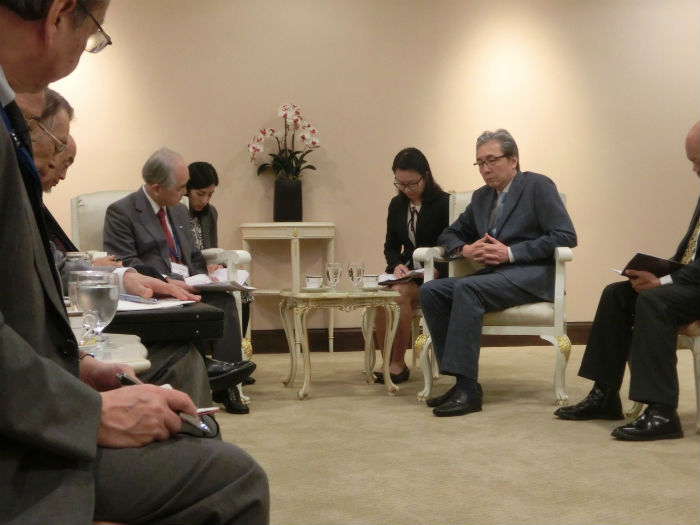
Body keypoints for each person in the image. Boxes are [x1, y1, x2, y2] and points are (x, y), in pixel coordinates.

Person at [0, 1, 269, 523]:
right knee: (235, 480)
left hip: (41, 397)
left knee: (189, 390)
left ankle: (203, 411)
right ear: (59, 16)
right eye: (95, 32)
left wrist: (79, 370)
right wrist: (89, 413)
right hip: (20, 451)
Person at [554, 121, 700, 441]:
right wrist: (659, 271)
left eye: (697, 161)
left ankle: (662, 412)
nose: (694, 169)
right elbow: (692, 255)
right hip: (692, 285)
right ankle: (604, 394)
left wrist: (663, 282)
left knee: (653, 300)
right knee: (617, 294)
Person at [419, 128, 577, 417]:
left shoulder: (538, 186)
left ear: (513, 160)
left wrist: (511, 252)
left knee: (466, 288)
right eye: (480, 163)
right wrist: (465, 249)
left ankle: (468, 391)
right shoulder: (481, 198)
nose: (485, 169)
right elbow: (449, 234)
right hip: (494, 279)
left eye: (492, 160)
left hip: (530, 277)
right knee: (431, 291)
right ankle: (461, 382)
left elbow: (565, 236)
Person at [104, 148, 255, 414]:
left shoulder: (179, 210)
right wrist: (167, 281)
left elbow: (193, 255)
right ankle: (205, 378)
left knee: (223, 300)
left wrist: (207, 274)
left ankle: (227, 383)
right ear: (157, 188)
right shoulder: (121, 212)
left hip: (189, 283)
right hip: (153, 291)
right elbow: (125, 263)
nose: (185, 193)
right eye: (180, 188)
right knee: (190, 309)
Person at [373, 147, 449, 384]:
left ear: (426, 176)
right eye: (400, 184)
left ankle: (398, 362)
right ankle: (387, 360)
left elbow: (452, 245)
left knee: (398, 295)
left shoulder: (444, 203)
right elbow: (390, 247)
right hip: (408, 273)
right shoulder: (397, 205)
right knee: (382, 296)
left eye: (412, 184)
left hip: (436, 275)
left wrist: (437, 267)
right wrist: (396, 264)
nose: (406, 189)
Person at [187, 160, 255, 379]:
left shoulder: (210, 214)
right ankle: (222, 366)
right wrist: (202, 268)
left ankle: (236, 358)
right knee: (222, 299)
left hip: (207, 270)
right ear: (186, 189)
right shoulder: (176, 212)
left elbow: (211, 248)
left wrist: (217, 265)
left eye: (210, 194)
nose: (205, 200)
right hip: (188, 273)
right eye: (200, 194)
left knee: (243, 292)